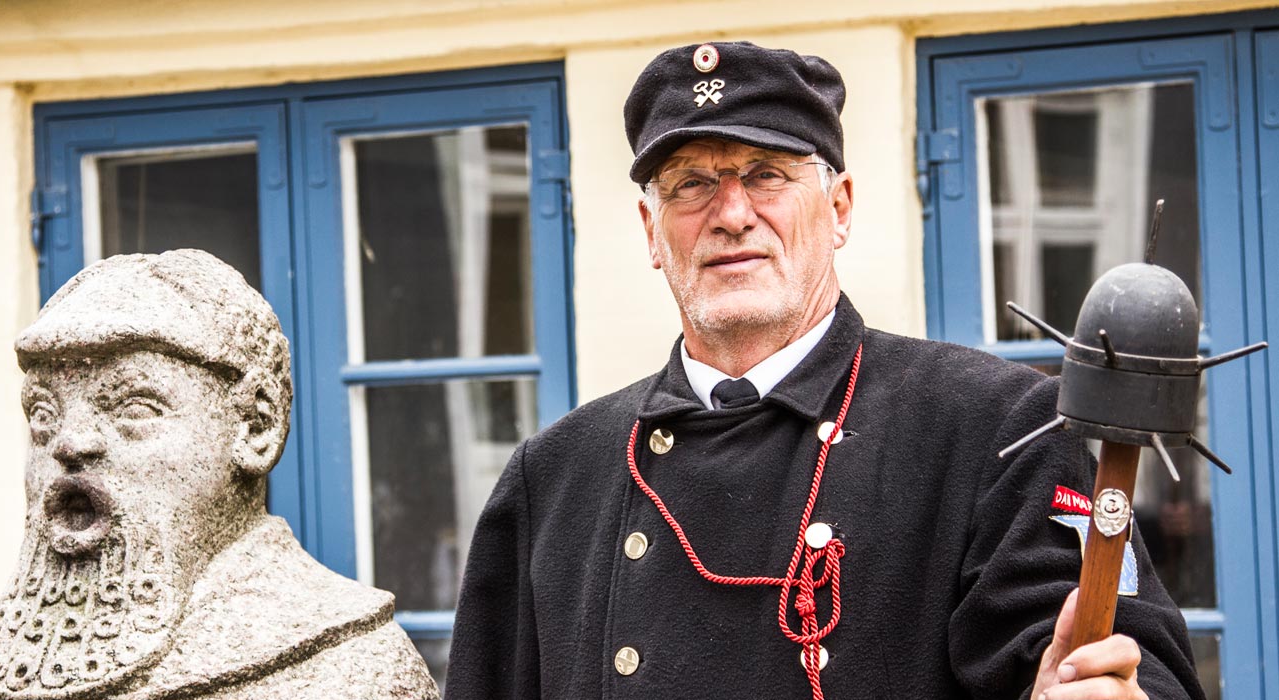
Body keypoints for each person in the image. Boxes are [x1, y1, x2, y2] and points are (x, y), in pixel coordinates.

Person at [445, 41, 1203, 699]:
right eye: (691, 184)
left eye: (767, 174)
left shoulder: (995, 427)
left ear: (839, 207)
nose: (731, 214)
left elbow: (1123, 664)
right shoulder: (554, 475)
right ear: (652, 230)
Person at [0, 250, 438, 700]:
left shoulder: (348, 671)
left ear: (256, 425)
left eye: (134, 408)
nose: (69, 442)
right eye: (44, 414)